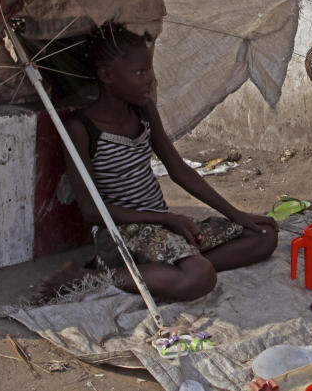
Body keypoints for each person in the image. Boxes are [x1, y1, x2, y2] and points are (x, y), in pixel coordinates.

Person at [38, 22, 278, 301]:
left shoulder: (143, 111)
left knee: (264, 234)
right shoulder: (81, 128)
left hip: (162, 227)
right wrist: (165, 218)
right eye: (139, 72)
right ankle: (93, 277)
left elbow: (178, 170)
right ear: (106, 75)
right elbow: (92, 211)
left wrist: (238, 215)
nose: (150, 80)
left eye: (149, 69)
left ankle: (163, 272)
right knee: (200, 277)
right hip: (123, 234)